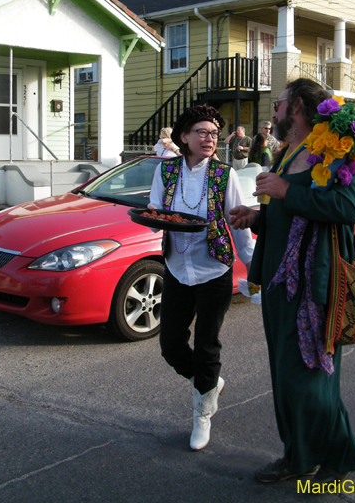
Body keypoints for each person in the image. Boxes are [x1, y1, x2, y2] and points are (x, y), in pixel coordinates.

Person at [229, 78, 355, 483]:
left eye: (278, 104)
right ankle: (299, 454)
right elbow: (285, 210)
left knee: (308, 375)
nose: (273, 112)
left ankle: (331, 456)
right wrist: (257, 216)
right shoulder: (287, 150)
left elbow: (345, 207)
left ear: (296, 109)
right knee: (286, 374)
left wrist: (284, 191)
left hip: (315, 282)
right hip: (276, 279)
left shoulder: (347, 150)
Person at [148, 105, 255, 452]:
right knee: (171, 345)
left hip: (214, 269)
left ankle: (201, 415)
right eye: (202, 132)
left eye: (213, 133)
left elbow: (238, 225)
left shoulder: (226, 175)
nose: (209, 139)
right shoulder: (165, 172)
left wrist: (254, 268)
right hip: (178, 267)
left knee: (208, 344)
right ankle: (209, 383)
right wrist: (153, 220)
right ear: (184, 136)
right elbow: (155, 212)